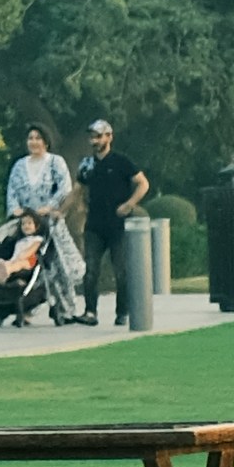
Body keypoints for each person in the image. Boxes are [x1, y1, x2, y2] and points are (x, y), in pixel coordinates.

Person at [1, 122, 82, 329]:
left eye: (38, 138)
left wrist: (50, 206)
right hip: (27, 225)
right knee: (29, 263)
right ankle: (26, 308)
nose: (34, 142)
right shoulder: (19, 166)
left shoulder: (56, 162)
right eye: (30, 138)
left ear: (46, 141)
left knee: (59, 266)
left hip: (49, 222)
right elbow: (12, 192)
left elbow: (64, 188)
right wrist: (16, 210)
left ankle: (67, 309)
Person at [80, 118, 152, 327]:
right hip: (94, 225)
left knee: (121, 271)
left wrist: (129, 204)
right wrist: (62, 210)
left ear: (109, 137)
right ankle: (90, 311)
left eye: (98, 136)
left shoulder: (121, 161)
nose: (94, 141)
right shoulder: (88, 164)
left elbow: (143, 183)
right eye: (92, 137)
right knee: (91, 270)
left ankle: (122, 312)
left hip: (118, 226)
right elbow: (78, 189)